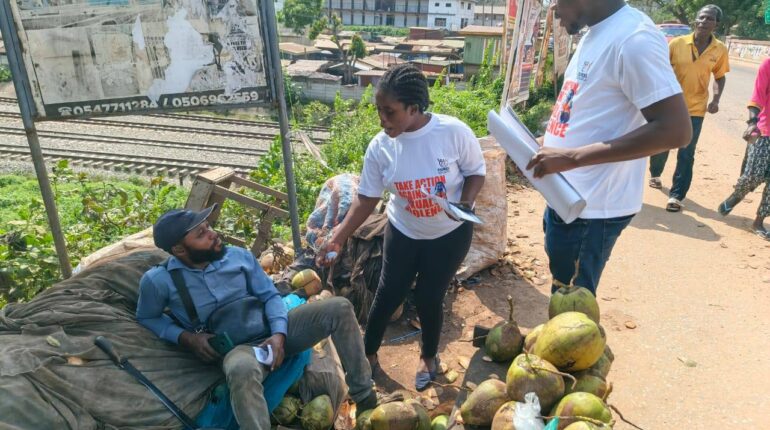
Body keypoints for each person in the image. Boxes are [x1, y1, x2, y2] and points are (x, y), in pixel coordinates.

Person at [317, 63, 486, 391]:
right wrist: (336, 238)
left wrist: (464, 204)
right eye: (379, 110)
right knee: (387, 292)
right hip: (404, 231)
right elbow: (366, 199)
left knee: (429, 296)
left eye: (390, 112)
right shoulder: (380, 147)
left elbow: (476, 172)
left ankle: (428, 356)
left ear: (414, 108)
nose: (382, 120)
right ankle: (368, 355)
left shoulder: (452, 133)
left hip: (448, 235)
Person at [136, 205, 376, 430]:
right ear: (179, 250)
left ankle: (365, 398)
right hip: (240, 348)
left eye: (209, 226)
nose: (213, 234)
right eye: (201, 234)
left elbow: (271, 297)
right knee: (240, 368)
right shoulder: (159, 281)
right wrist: (187, 338)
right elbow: (148, 317)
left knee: (340, 308)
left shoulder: (238, 257)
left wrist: (279, 335)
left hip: (271, 330)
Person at [526, 0, 692, 294]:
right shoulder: (597, 33)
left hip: (591, 209)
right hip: (567, 197)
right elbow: (590, 108)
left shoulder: (633, 39)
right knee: (563, 293)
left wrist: (572, 155)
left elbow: (675, 130)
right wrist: (548, 141)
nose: (553, 9)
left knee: (572, 311)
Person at [648, 5, 729, 212]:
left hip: (696, 109)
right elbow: (660, 70)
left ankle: (676, 196)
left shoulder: (719, 49)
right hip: (669, 106)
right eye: (701, 18)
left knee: (687, 152)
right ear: (695, 21)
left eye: (709, 19)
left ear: (716, 24)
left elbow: (719, 76)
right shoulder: (677, 44)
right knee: (661, 146)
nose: (703, 21)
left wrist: (716, 100)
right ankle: (655, 174)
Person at [718, 58, 770, 240]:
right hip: (765, 131)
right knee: (752, 176)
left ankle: (759, 221)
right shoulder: (768, 65)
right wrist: (752, 123)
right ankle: (737, 195)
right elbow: (757, 98)